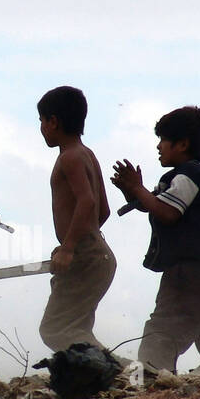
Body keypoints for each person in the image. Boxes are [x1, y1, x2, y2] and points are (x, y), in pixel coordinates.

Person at [110, 106, 200, 374]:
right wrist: (133, 193)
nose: (158, 146)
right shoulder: (187, 176)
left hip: (189, 276)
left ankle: (149, 384)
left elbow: (168, 212)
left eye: (163, 140)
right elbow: (155, 204)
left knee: (159, 336)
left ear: (182, 144)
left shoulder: (189, 174)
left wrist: (138, 188)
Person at [36, 86, 117, 351]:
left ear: (53, 121)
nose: (41, 128)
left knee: (55, 330)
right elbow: (103, 211)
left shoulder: (69, 157)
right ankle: (125, 371)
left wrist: (69, 247)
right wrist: (72, 244)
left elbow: (87, 201)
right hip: (99, 254)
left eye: (41, 121)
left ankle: (121, 370)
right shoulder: (87, 154)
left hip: (86, 256)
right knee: (76, 331)